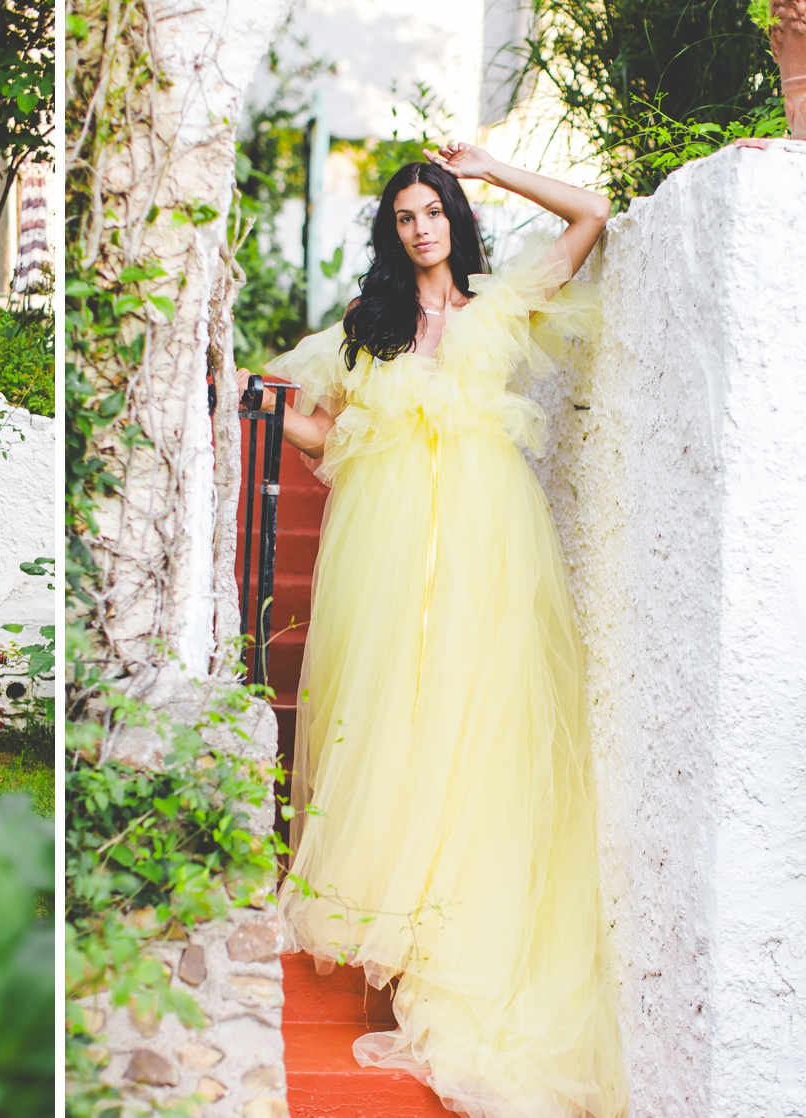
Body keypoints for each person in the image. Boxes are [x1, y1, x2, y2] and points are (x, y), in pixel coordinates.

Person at [246, 143, 625, 1116]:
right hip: (391, 539)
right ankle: (408, 912)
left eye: (434, 210)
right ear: (391, 231)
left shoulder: (499, 304)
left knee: (479, 711)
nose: (421, 228)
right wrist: (261, 402)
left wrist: (495, 167)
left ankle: (462, 927)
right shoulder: (368, 329)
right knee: (404, 714)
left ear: (456, 216)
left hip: (490, 539)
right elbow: (326, 432)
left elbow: (590, 213)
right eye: (405, 216)